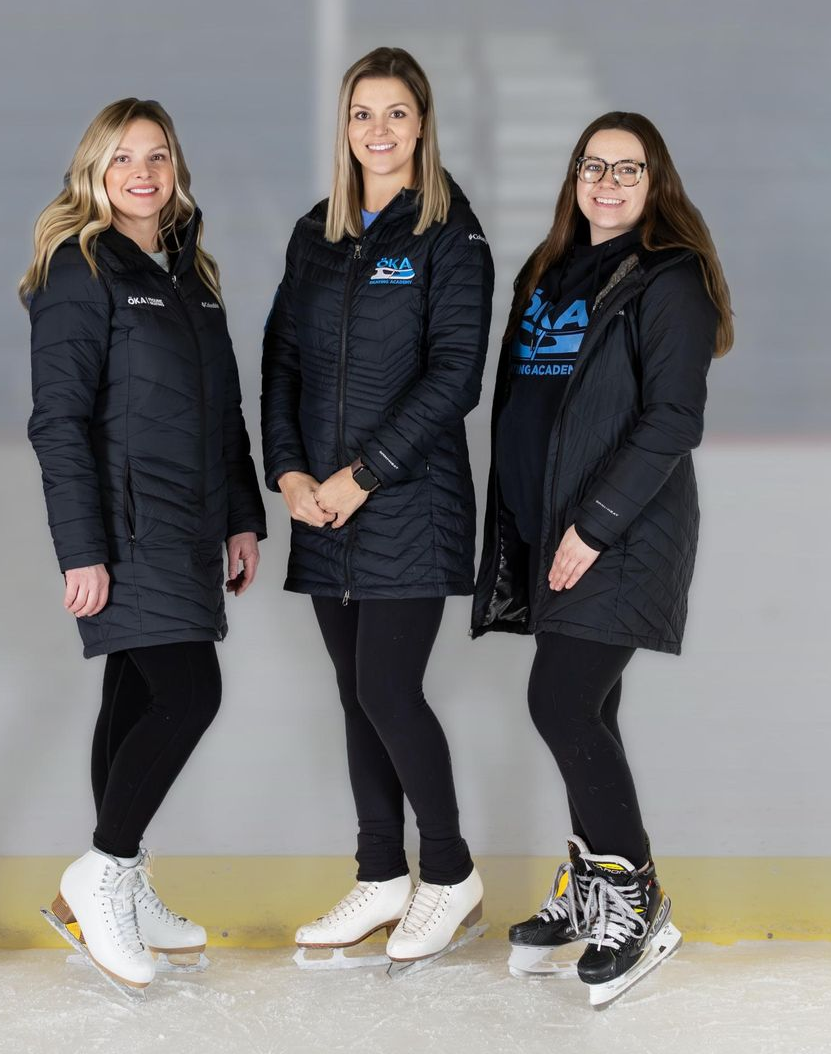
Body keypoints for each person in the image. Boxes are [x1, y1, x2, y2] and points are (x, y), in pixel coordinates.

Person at [471, 111, 735, 1008]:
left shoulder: (670, 277)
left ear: (656, 183)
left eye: (629, 169)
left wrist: (593, 526)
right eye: (594, 166)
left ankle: (637, 896)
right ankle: (594, 884)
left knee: (559, 700)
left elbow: (673, 420)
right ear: (574, 179)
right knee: (590, 707)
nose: (608, 183)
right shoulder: (546, 271)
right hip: (551, 532)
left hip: (620, 533)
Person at [23, 98, 265, 992]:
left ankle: (116, 883)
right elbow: (58, 421)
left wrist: (241, 515)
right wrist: (79, 549)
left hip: (190, 524)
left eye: (157, 156)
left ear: (176, 170)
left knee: (133, 697)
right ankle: (103, 871)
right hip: (126, 530)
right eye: (122, 158)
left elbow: (222, 411)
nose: (142, 173)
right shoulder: (80, 269)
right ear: (94, 171)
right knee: (190, 692)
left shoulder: (189, 272)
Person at [260, 46, 493, 972]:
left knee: (388, 689)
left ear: (423, 123)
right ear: (345, 126)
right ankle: (382, 875)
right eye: (363, 113)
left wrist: (367, 474)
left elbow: (456, 375)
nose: (379, 130)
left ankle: (450, 873)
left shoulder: (451, 235)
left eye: (397, 112)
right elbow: (281, 360)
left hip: (409, 502)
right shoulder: (315, 234)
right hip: (323, 508)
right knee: (356, 694)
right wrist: (290, 475)